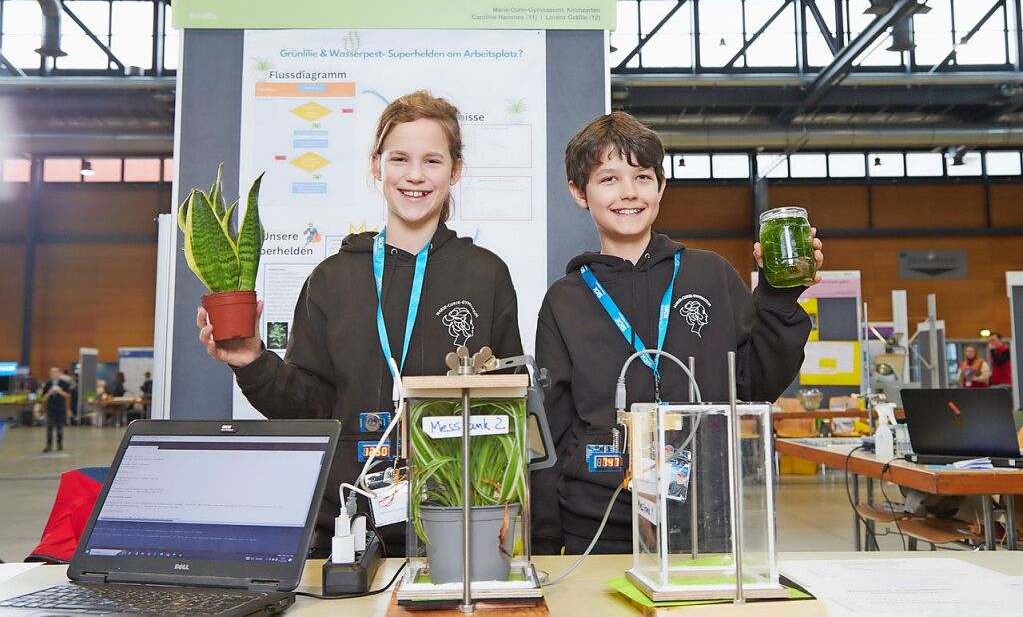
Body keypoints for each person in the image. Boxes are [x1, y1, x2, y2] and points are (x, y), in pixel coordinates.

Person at [196, 91, 522, 555]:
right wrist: (251, 361)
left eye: (432, 160)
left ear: (455, 171)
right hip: (346, 528)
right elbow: (306, 407)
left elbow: (507, 406)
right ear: (376, 166)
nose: (414, 175)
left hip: (458, 524)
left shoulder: (487, 273)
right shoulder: (333, 277)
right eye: (399, 158)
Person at [531, 111, 821, 555]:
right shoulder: (565, 299)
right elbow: (552, 427)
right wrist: (544, 540)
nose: (628, 192)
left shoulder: (711, 275)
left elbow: (757, 382)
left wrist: (780, 298)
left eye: (642, 177)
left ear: (661, 187)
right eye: (608, 179)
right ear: (579, 192)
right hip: (595, 526)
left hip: (702, 517)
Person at [41, 367, 71, 452]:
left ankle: (59, 444)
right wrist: (49, 393)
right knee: (49, 428)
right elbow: (43, 396)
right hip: (50, 409)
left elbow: (68, 395)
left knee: (60, 428)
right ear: (50, 374)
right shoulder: (48, 383)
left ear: (59, 374)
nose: (54, 374)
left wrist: (60, 392)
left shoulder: (64, 383)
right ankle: (49, 445)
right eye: (52, 373)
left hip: (60, 408)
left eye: (56, 373)